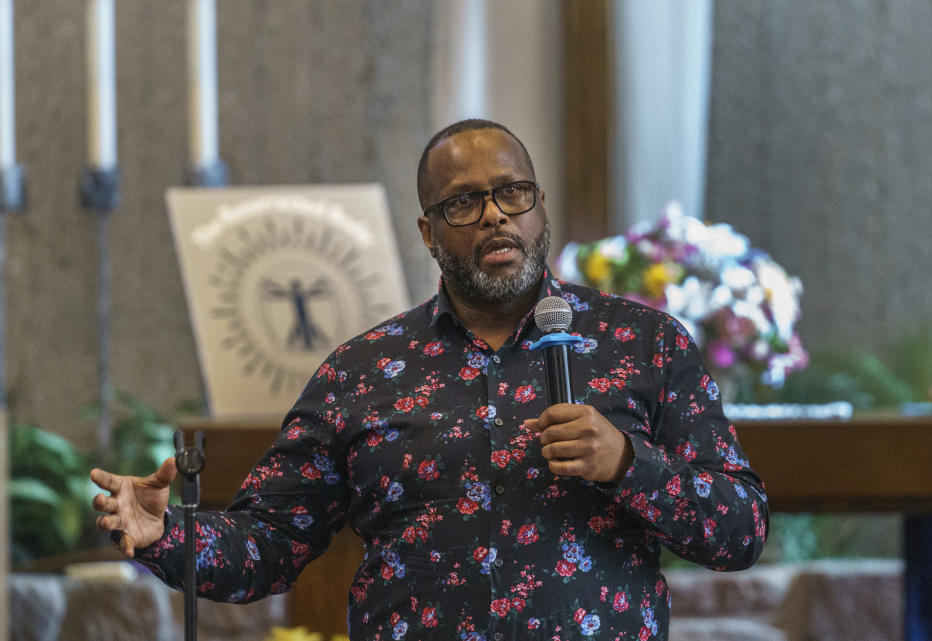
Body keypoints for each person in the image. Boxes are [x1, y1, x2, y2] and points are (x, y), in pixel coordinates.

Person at [92, 119, 768, 640]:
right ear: (428, 231)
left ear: (538, 206)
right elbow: (269, 542)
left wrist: (627, 462)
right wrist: (168, 533)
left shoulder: (642, 342)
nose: (497, 215)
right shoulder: (359, 371)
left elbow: (740, 529)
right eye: (464, 203)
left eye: (513, 193)